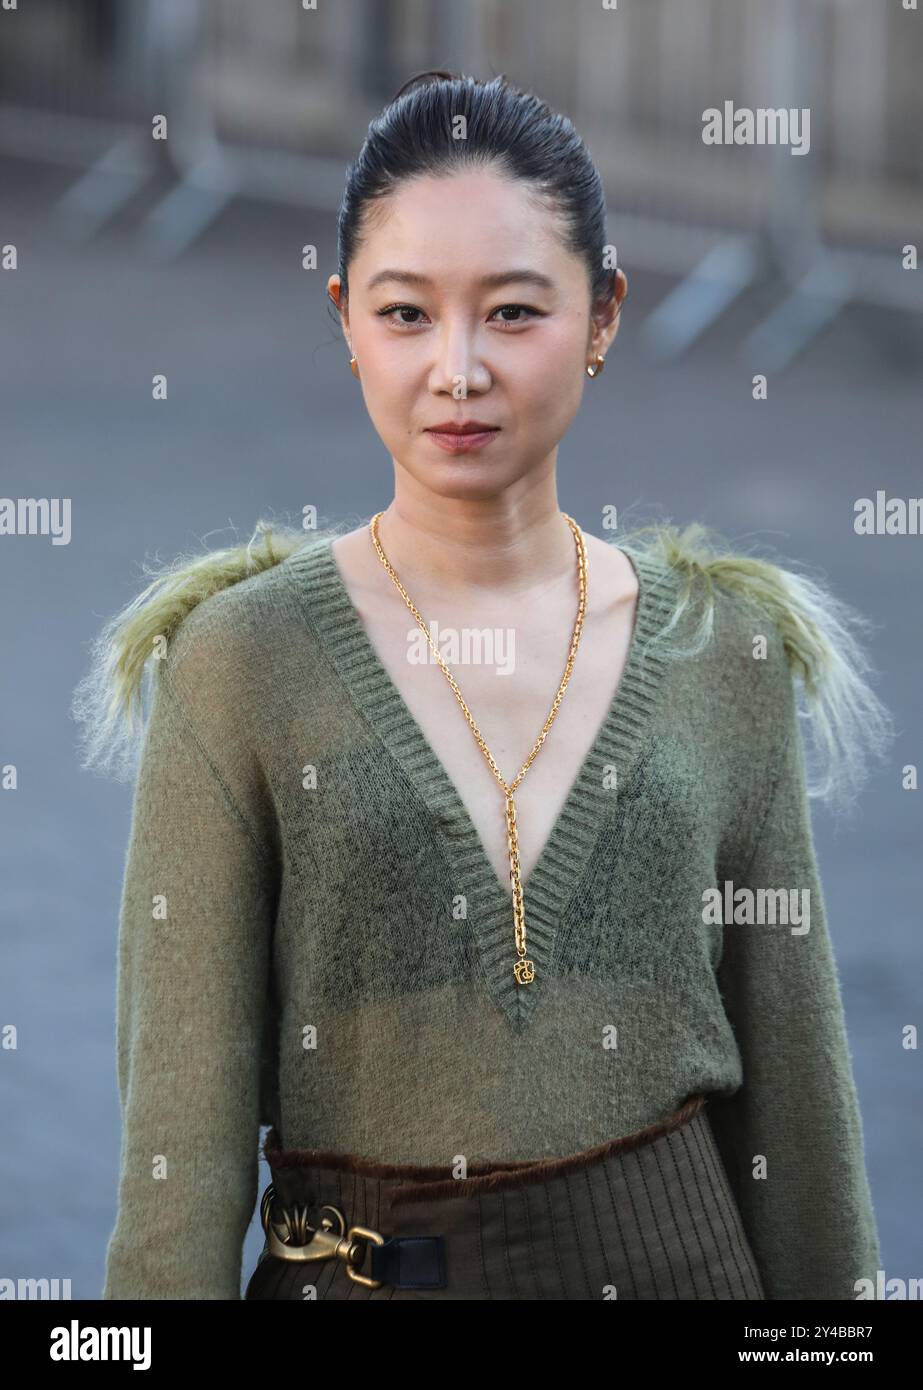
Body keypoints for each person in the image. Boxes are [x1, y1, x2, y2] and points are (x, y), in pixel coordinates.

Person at [73, 70, 894, 1301]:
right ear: (346, 320)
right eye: (406, 315)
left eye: (512, 312)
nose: (455, 369)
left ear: (603, 316)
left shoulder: (722, 653)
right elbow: (176, 1166)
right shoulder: (239, 664)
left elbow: (800, 1118)